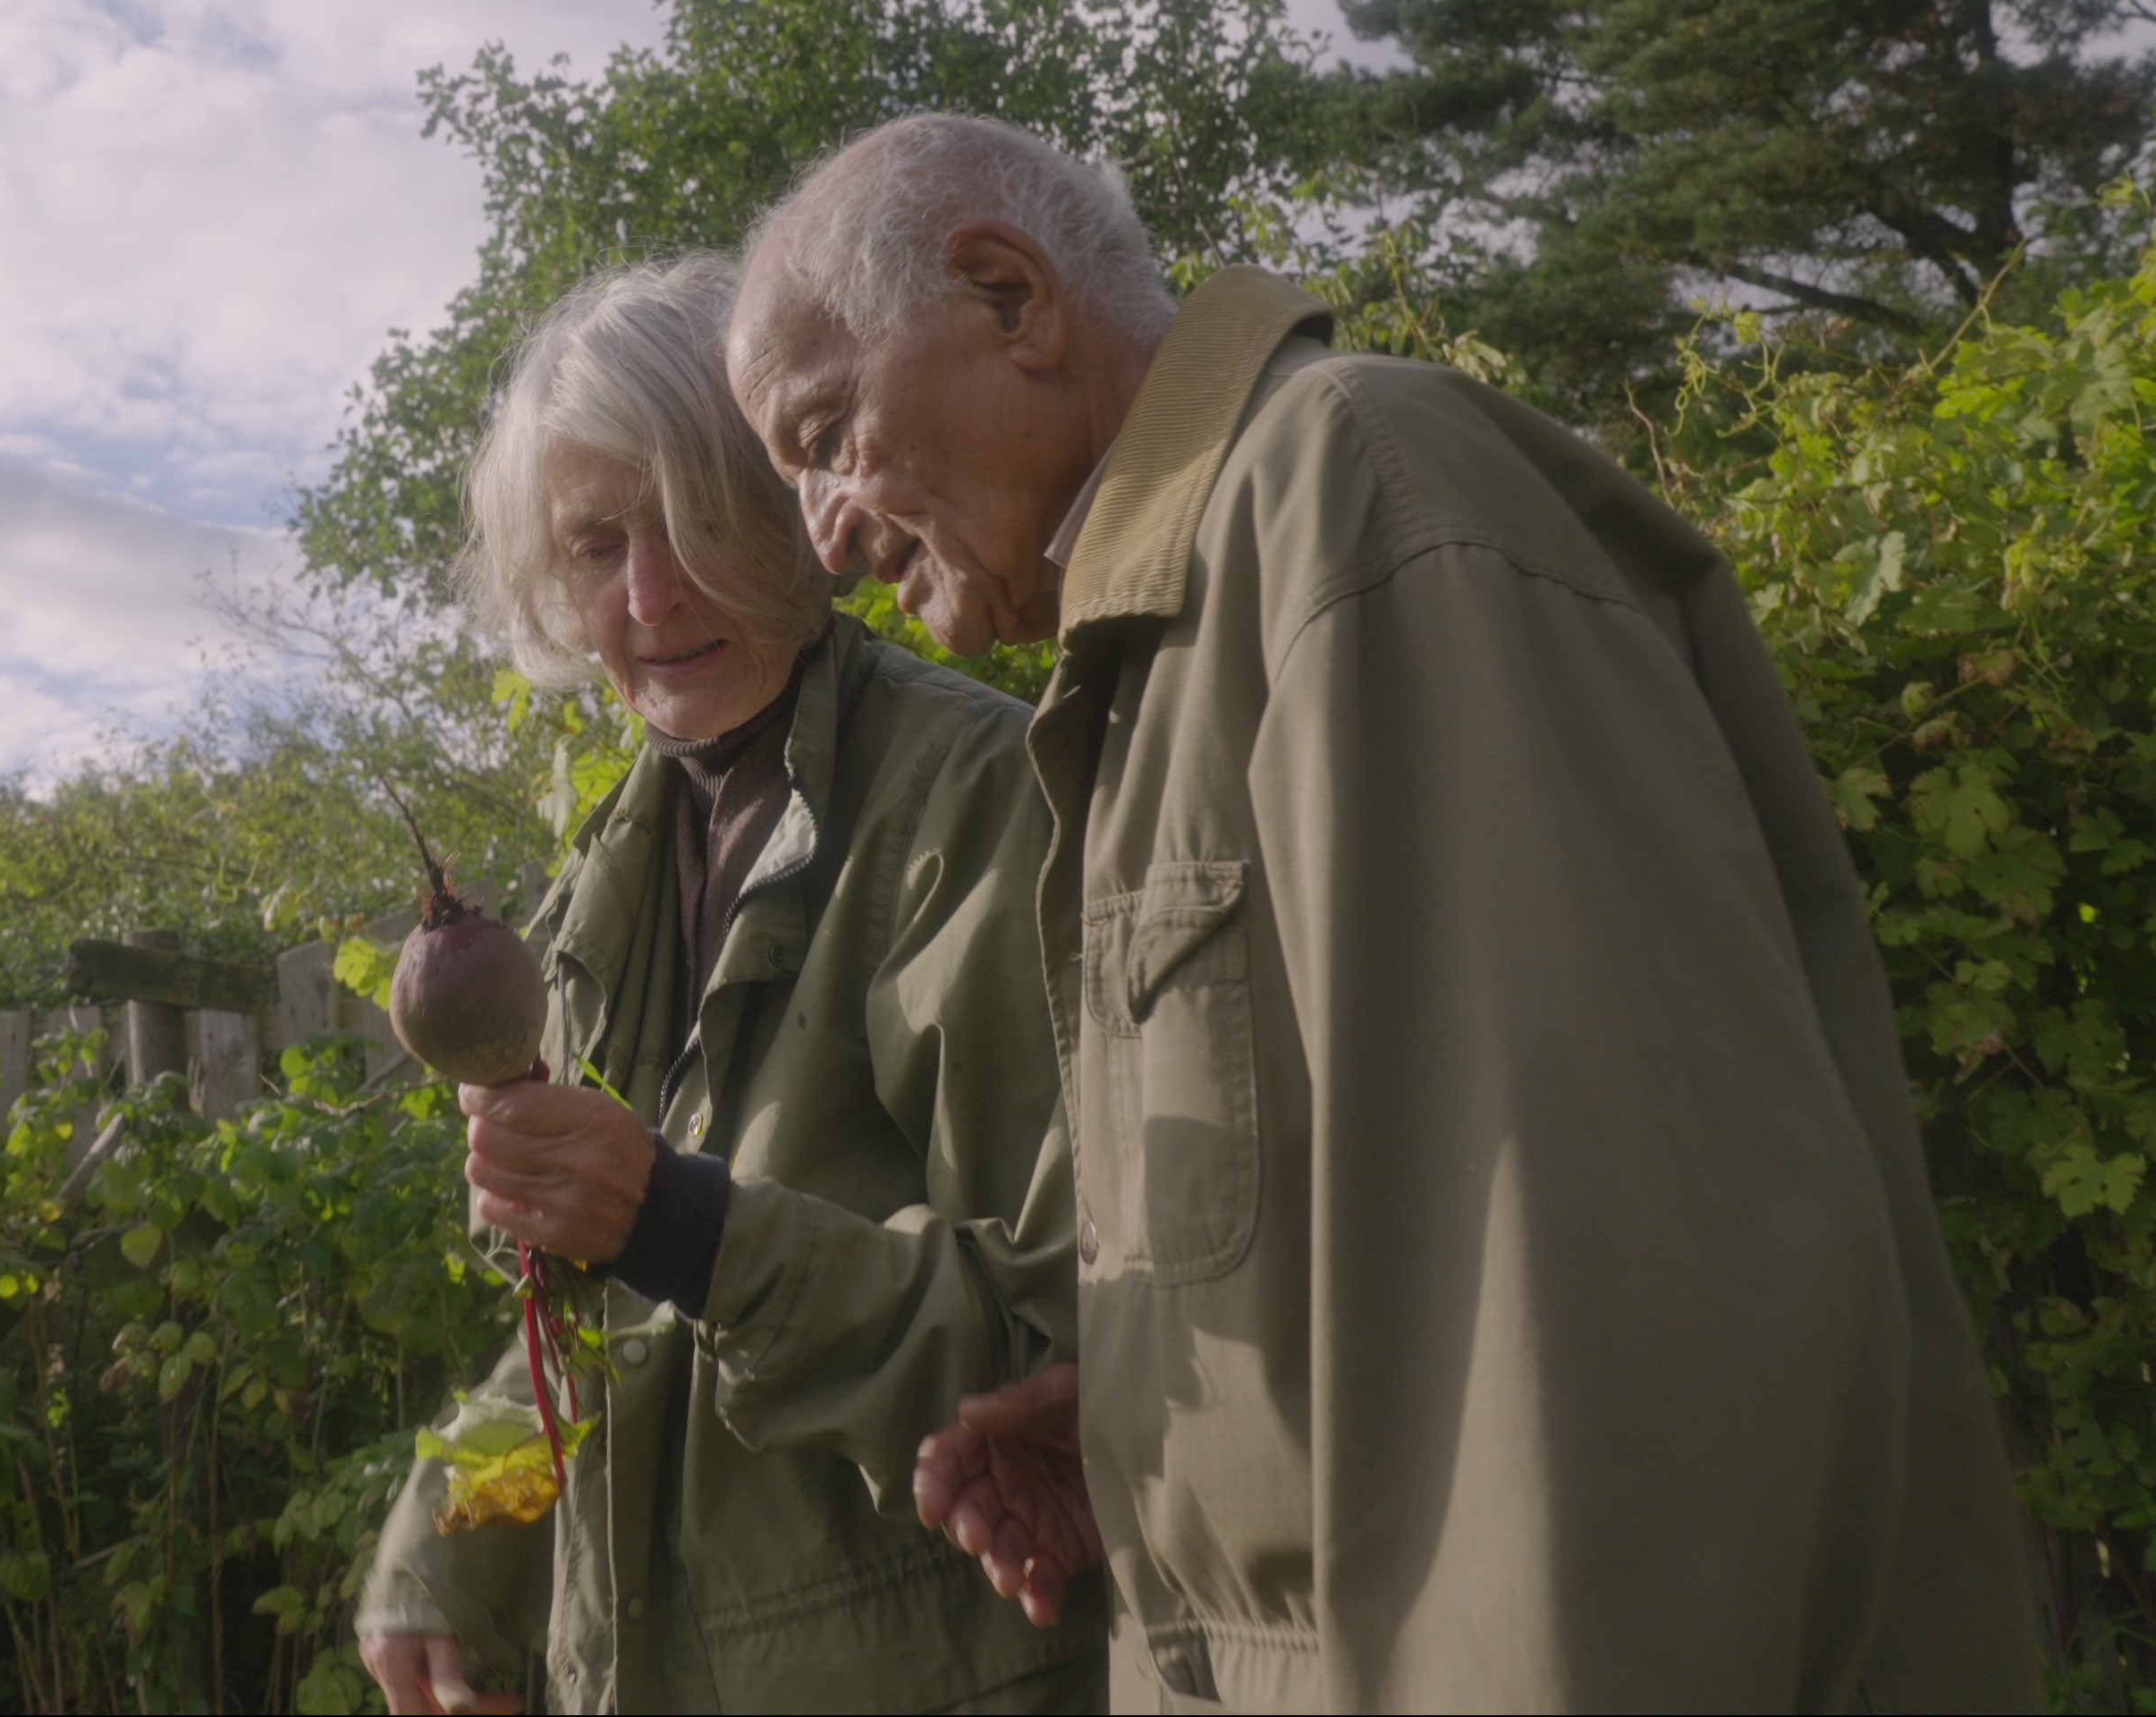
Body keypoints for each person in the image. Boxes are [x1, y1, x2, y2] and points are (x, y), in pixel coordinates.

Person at [723, 113, 2041, 1711]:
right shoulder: (1177, 640)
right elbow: (1419, 1243)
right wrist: (1173, 1438)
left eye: (823, 437)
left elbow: (1600, 1319)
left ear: (1012, 299)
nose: (828, 544)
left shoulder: (1353, 502)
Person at [354, 256, 1106, 1714]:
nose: (650, 595)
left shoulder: (984, 807)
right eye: (593, 548)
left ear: (802, 506)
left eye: (700, 515)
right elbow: (577, 1325)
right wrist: (452, 1537)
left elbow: (1081, 1340)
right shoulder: (600, 890)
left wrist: (684, 1224)